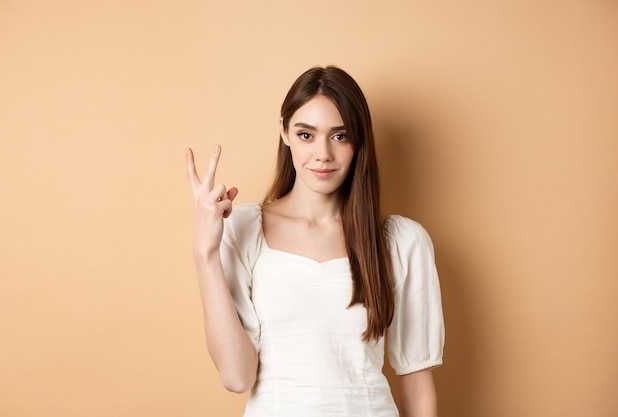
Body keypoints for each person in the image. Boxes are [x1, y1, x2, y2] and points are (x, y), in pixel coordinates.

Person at [185, 66, 444, 417]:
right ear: (285, 132)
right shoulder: (243, 229)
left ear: (359, 141)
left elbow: (417, 385)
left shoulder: (401, 243)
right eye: (306, 135)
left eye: (339, 136)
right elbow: (236, 376)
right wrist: (205, 252)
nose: (323, 154)